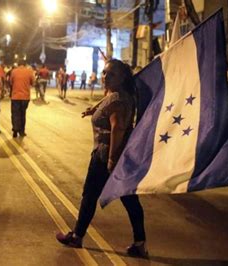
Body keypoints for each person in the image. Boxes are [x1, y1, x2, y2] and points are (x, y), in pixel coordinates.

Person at [56, 59, 148, 258]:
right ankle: (140, 243)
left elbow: (118, 128)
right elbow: (108, 104)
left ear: (122, 77)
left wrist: (112, 160)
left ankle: (77, 236)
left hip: (106, 153)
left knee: (90, 196)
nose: (105, 77)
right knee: (130, 199)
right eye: (105, 73)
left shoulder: (118, 100)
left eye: (111, 74)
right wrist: (94, 110)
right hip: (118, 154)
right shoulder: (119, 95)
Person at [10, 60, 34, 138]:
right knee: (22, 114)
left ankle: (15, 129)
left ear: (18, 64)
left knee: (15, 113)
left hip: (15, 96)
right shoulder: (29, 71)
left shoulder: (13, 71)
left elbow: (11, 82)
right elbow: (32, 82)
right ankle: (22, 131)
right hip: (25, 97)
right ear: (25, 64)